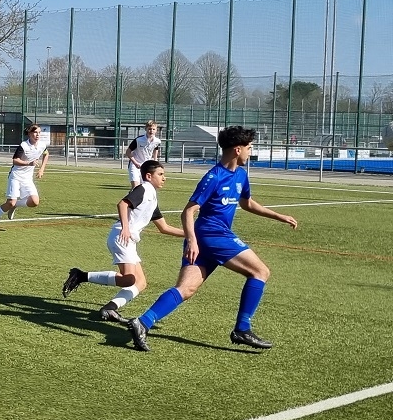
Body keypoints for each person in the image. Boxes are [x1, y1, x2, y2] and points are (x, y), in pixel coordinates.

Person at [126, 126, 298, 352]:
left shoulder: (241, 175)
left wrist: (279, 216)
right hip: (212, 235)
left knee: (186, 289)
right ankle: (242, 328)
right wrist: (192, 240)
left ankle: (143, 322)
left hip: (207, 239)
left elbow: (247, 203)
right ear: (237, 149)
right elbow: (188, 211)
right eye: (249, 148)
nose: (251, 152)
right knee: (260, 272)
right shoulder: (214, 176)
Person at [61, 160, 184, 322]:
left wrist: (190, 234)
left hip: (128, 240)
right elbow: (122, 204)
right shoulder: (144, 189)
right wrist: (125, 227)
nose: (164, 178)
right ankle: (81, 276)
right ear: (149, 176)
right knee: (129, 279)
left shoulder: (152, 197)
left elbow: (164, 227)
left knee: (140, 282)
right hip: (122, 237)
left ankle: (110, 308)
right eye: (160, 174)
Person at [0, 125, 48, 231]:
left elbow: (46, 154)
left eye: (39, 132)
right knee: (10, 202)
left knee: (34, 202)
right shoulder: (24, 145)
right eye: (35, 132)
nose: (38, 135)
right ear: (29, 134)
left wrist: (42, 169)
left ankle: (15, 205)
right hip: (16, 176)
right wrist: (29, 163)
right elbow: (15, 160)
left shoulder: (42, 145)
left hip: (27, 179)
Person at [126, 121, 162, 188]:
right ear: (146, 129)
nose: (151, 131)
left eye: (153, 129)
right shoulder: (138, 140)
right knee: (135, 187)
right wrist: (135, 163)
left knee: (143, 188)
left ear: (156, 130)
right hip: (135, 165)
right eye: (149, 129)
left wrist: (155, 160)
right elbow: (128, 152)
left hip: (145, 166)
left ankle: (132, 194)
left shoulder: (157, 141)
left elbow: (155, 149)